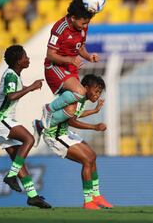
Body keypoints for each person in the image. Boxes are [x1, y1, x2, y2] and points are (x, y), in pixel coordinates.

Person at [33, 74, 113, 210]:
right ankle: (88, 201)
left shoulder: (81, 99)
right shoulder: (76, 98)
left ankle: (97, 196)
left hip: (64, 133)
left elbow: (76, 114)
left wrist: (94, 111)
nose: (98, 95)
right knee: (87, 161)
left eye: (100, 92)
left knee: (93, 156)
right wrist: (94, 127)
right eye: (96, 90)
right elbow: (72, 121)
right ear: (86, 88)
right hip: (55, 135)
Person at [0, 45, 51, 209]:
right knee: (28, 139)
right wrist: (30, 88)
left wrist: (29, 87)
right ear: (18, 61)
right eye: (25, 57)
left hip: (2, 118)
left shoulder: (14, 75)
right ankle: (11, 175)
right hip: (0, 117)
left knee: (18, 159)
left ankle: (32, 196)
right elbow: (10, 96)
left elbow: (11, 93)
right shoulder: (10, 75)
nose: (28, 59)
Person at [40, 0, 101, 130]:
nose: (85, 26)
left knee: (72, 109)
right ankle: (48, 109)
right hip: (54, 67)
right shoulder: (59, 28)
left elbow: (80, 47)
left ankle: (41, 127)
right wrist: (70, 59)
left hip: (70, 67)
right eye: (83, 23)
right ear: (73, 18)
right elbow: (50, 55)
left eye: (87, 23)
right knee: (80, 91)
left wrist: (88, 57)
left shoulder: (83, 27)